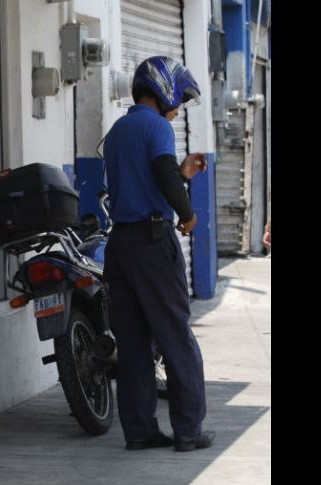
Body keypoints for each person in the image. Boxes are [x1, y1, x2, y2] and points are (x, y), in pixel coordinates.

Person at [102, 56, 216, 452]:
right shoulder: (157, 127)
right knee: (175, 335)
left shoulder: (118, 130)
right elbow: (164, 175)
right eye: (178, 99)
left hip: (120, 246)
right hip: (152, 243)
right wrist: (188, 214)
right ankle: (188, 429)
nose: (177, 108)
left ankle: (140, 430)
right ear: (162, 88)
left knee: (133, 343)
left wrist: (180, 175)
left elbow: (146, 177)